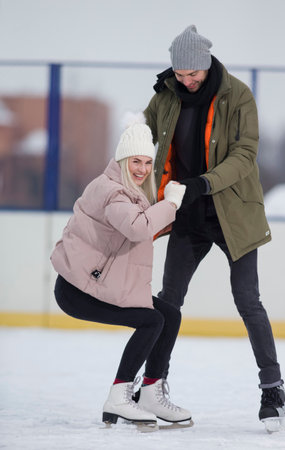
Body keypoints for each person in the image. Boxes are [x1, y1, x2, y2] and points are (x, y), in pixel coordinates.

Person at [143, 25, 285, 432]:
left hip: (232, 213)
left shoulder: (237, 95)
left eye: (193, 74)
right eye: (180, 74)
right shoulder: (168, 94)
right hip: (187, 215)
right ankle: (153, 384)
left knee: (247, 299)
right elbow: (144, 136)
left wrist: (201, 184)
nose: (187, 81)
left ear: (206, 65)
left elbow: (245, 154)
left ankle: (273, 390)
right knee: (168, 301)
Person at [50, 113, 192, 427]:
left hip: (101, 284)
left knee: (169, 314)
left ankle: (151, 391)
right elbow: (137, 227)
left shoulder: (130, 192)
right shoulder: (111, 190)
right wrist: (170, 204)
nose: (141, 169)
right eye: (134, 162)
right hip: (78, 290)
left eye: (146, 162)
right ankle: (119, 396)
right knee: (151, 320)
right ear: (122, 160)